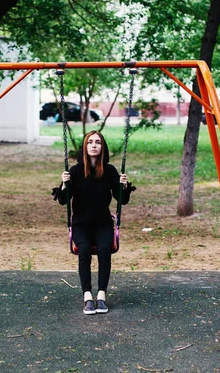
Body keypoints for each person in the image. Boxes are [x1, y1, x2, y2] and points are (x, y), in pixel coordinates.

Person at [52, 131, 135, 315]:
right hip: (81, 224)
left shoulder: (110, 171)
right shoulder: (74, 171)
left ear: (102, 146)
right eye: (90, 142)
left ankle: (102, 296)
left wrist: (123, 186)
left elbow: (122, 200)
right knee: (84, 250)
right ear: (85, 146)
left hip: (103, 223)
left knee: (105, 250)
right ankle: (88, 296)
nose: (94, 145)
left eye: (98, 142)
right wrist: (65, 185)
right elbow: (64, 201)